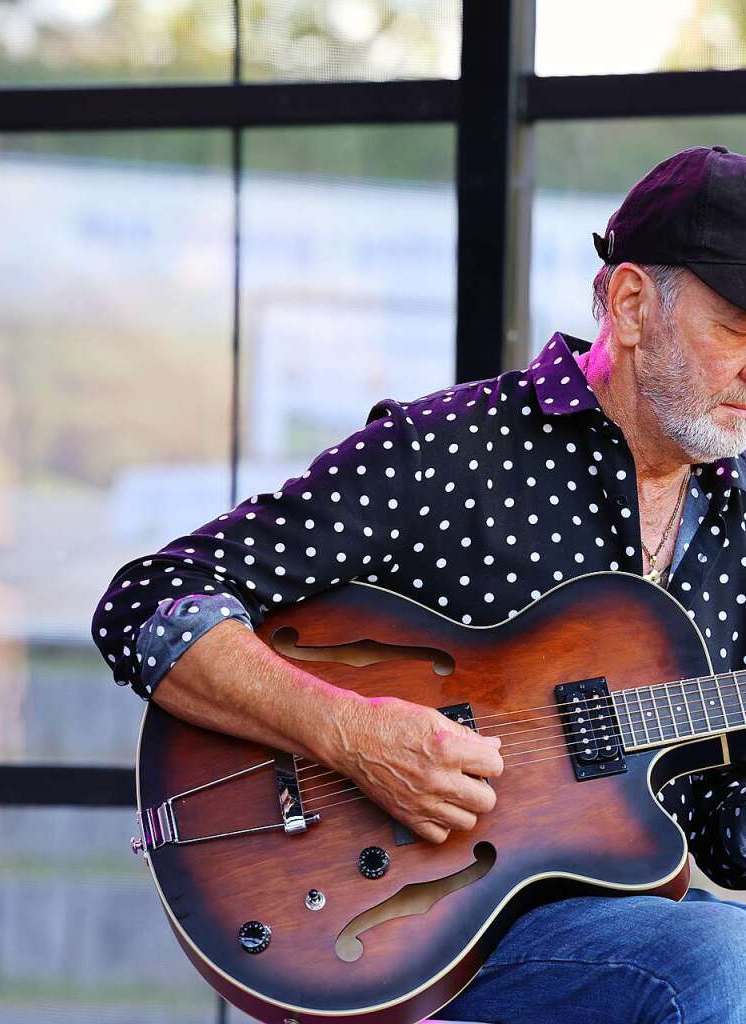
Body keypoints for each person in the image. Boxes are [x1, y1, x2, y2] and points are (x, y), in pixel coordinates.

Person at [92, 145, 746, 1023]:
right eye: (736, 331)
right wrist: (351, 732)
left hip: (613, 935)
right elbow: (151, 599)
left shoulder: (737, 530)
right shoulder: (452, 451)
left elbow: (713, 822)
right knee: (719, 956)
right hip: (407, 922)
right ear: (630, 305)